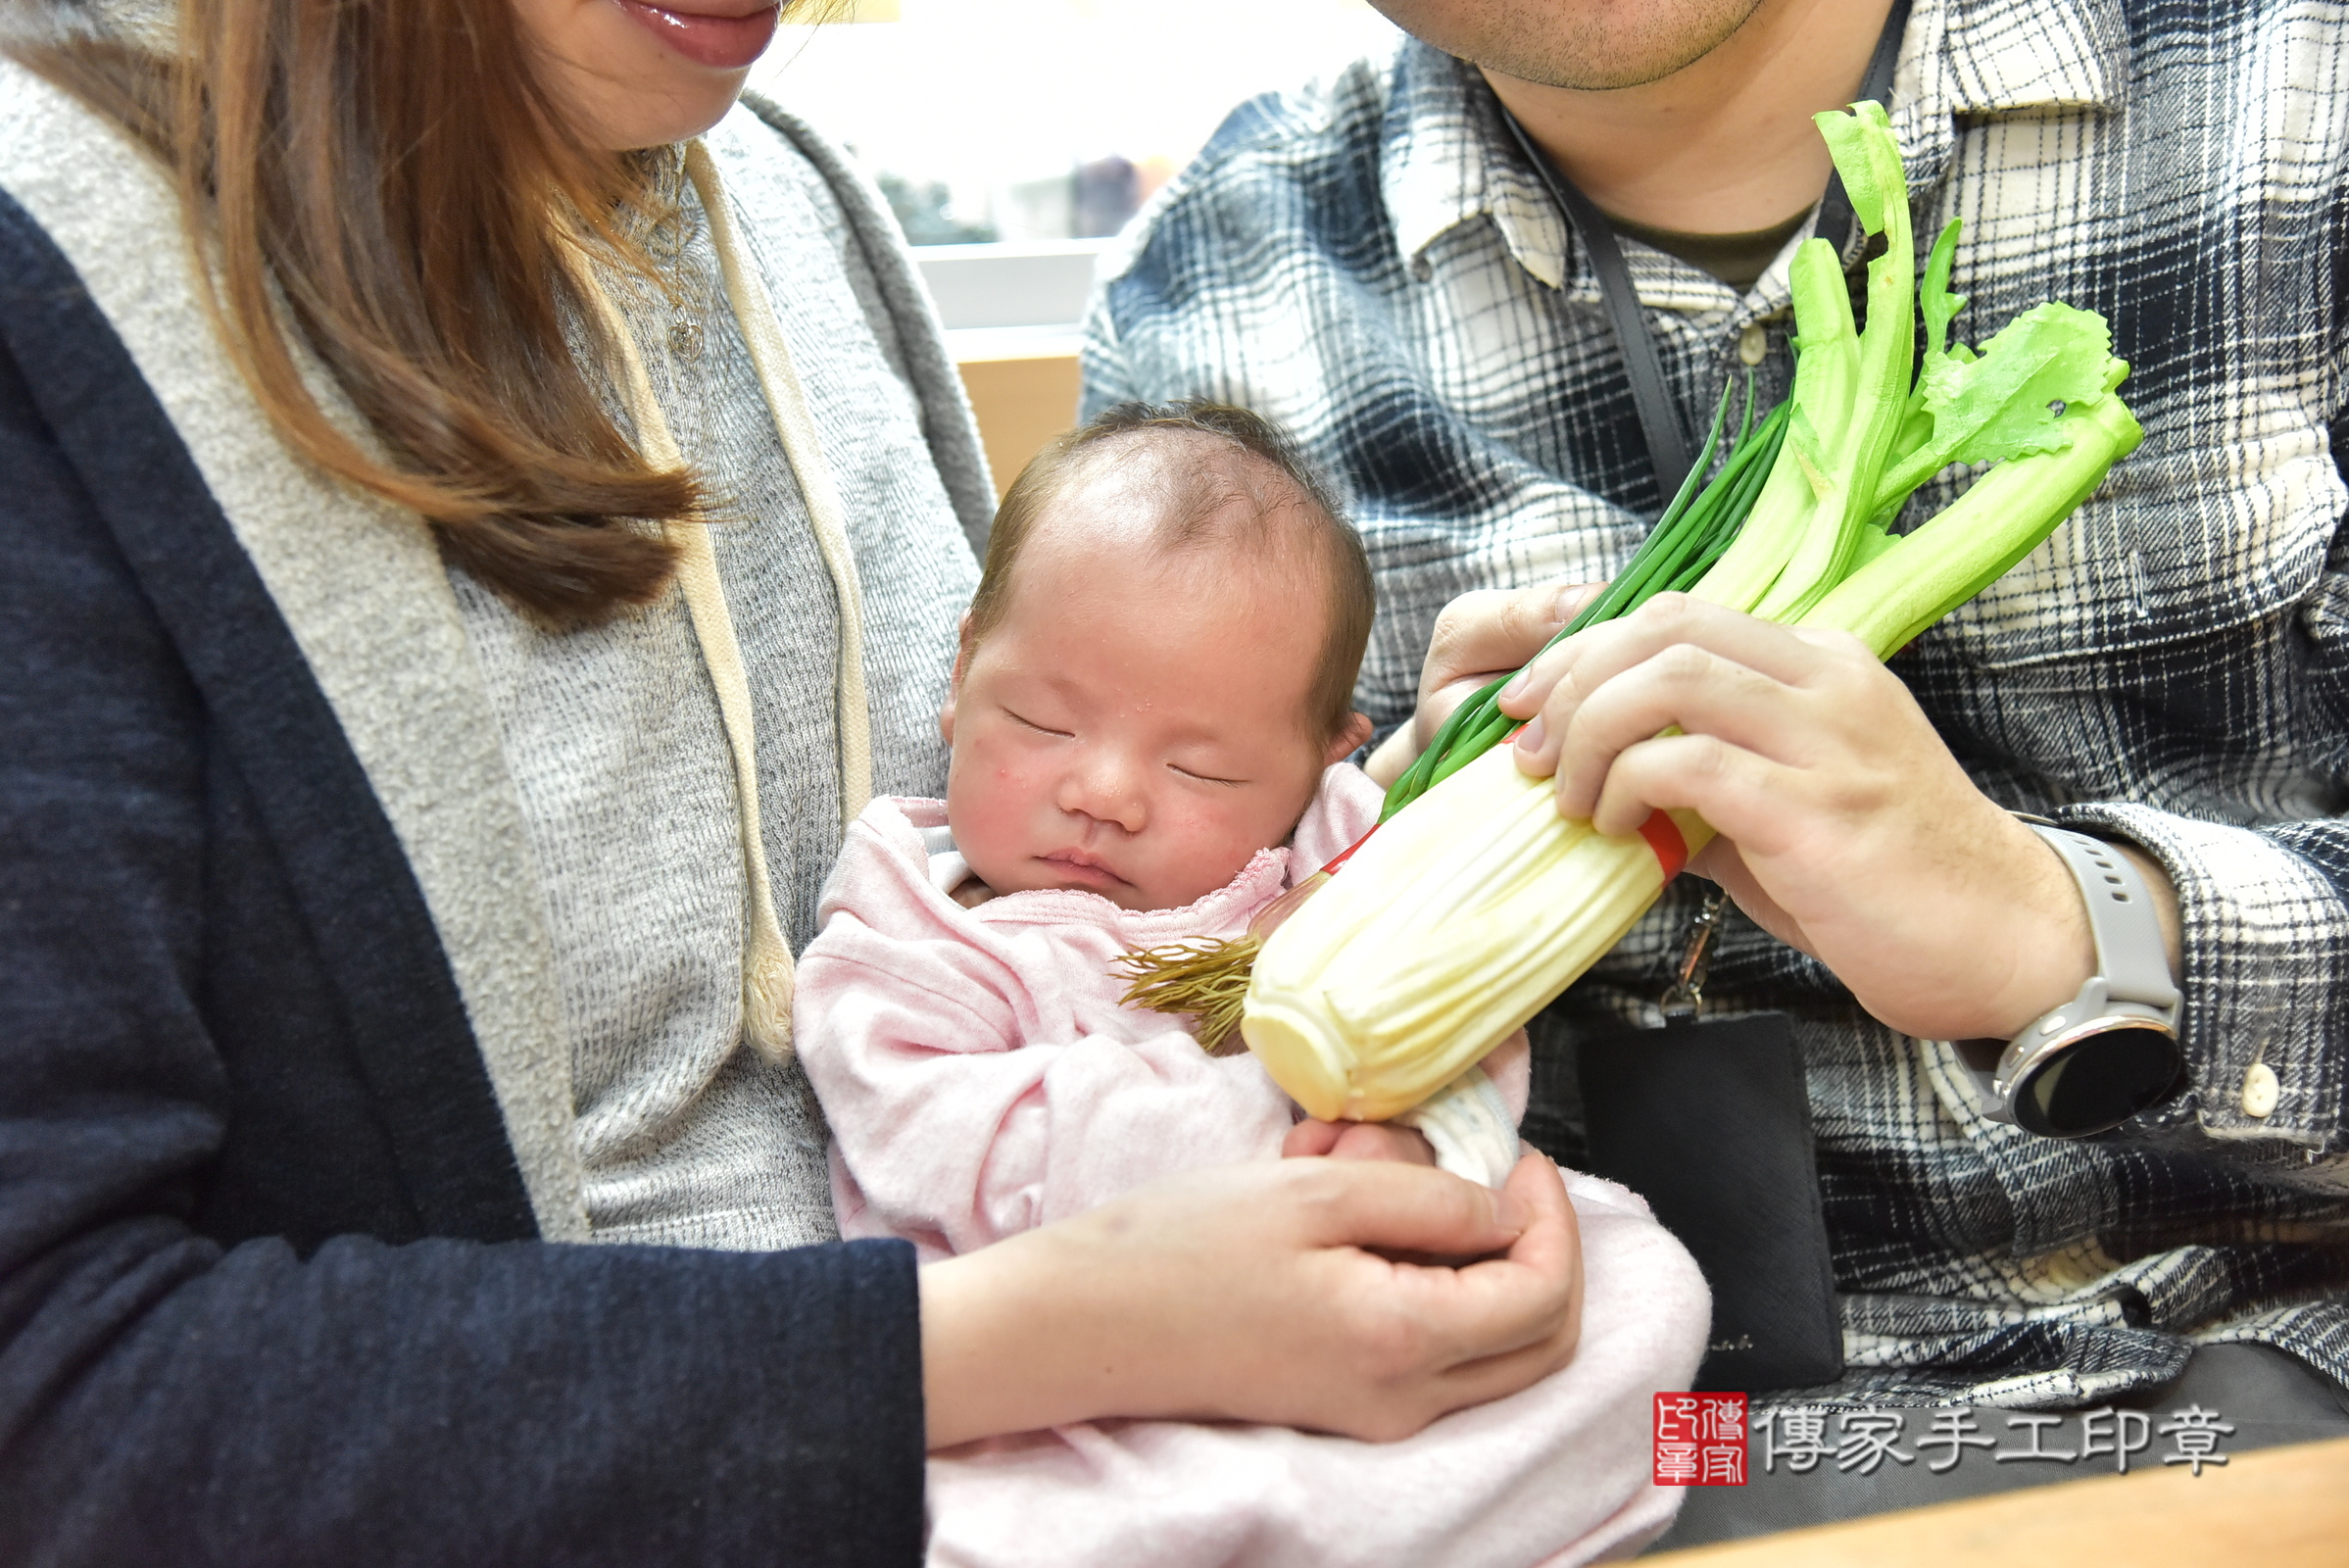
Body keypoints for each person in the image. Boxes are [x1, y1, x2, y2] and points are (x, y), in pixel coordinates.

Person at [0, 1, 1589, 1559]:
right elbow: (58, 1400)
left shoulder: (769, 186)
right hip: (965, 1453)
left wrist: (1369, 836)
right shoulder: (66, 294)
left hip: (1195, 1391)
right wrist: (1067, 1335)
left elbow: (1031, 844)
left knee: (1675, 1379)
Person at [1082, 0, 2349, 1539]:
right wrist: (1366, 825)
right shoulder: (1222, 281)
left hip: (2258, 1386)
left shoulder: (2295, 91)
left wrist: (2067, 924)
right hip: (1577, 1434)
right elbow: (1117, 972)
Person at [796, 401, 1709, 1565]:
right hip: (1079, 1371)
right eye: (1040, 719)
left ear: (1324, 754)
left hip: (1373, 1292)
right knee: (1006, 1506)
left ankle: (1621, 1495)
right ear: (966, 665)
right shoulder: (906, 930)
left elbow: (1472, 1021)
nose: (1108, 789)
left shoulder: (1334, 851)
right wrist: (1263, 1133)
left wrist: (1422, 1146)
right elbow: (947, 1152)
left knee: (1654, 1289)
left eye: (1200, 765)